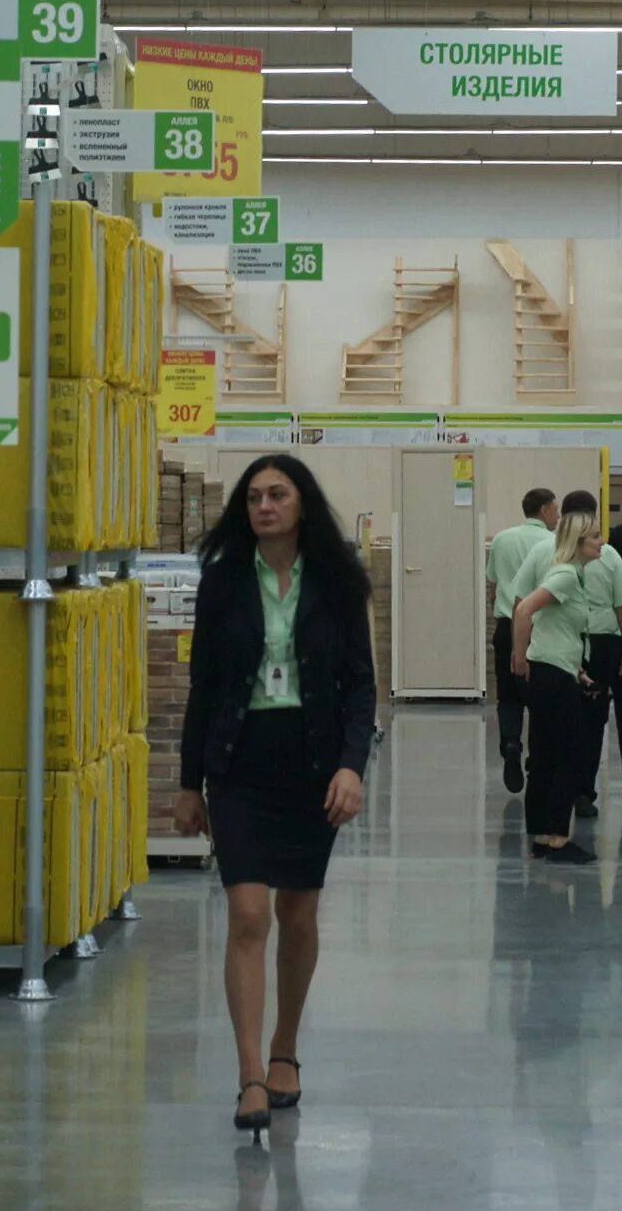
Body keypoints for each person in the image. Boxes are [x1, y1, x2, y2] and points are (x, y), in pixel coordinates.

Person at [171, 455, 378, 1139]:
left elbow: (359, 685)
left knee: (298, 912)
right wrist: (187, 782)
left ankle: (286, 1047)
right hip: (239, 761)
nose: (264, 506)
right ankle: (249, 1076)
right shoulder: (224, 581)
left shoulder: (337, 583)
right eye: (254, 497)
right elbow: (204, 683)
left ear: (301, 504)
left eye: (277, 494)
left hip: (312, 762)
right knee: (248, 914)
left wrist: (352, 767)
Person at [509, 508, 605, 865]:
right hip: (549, 675)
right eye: (594, 537)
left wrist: (577, 669)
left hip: (558, 669)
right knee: (570, 754)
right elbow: (524, 611)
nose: (601, 542)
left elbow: (558, 628)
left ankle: (542, 835)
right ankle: (559, 838)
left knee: (546, 755)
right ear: (578, 543)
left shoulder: (573, 575)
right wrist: (520, 656)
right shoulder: (565, 575)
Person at [563, 493, 622, 810]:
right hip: (603, 642)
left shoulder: (550, 551)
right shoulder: (607, 556)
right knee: (595, 719)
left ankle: (559, 785)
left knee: (564, 716)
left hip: (563, 642)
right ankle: (584, 791)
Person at [486, 489, 557, 794]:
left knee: (509, 695)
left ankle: (511, 743)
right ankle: (537, 757)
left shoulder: (501, 539)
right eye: (555, 509)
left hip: (506, 624)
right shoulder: (552, 543)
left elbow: (493, 583)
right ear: (543, 510)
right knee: (540, 697)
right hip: (542, 627)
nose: (558, 515)